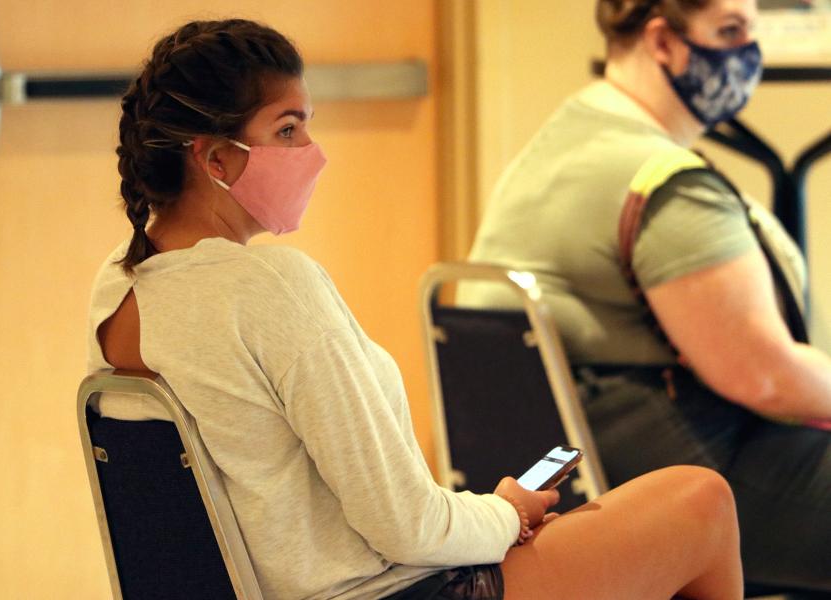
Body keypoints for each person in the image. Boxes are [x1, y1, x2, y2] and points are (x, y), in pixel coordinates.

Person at [88, 18, 744, 600]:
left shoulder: (118, 288)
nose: (312, 152)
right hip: (389, 589)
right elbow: (405, 527)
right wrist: (504, 513)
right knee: (701, 501)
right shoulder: (265, 284)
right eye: (287, 129)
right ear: (215, 158)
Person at [460, 0, 831, 593]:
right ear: (663, 42)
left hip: (581, 465)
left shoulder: (565, 140)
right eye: (730, 32)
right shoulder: (664, 183)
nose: (748, 56)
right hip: (671, 475)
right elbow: (767, 377)